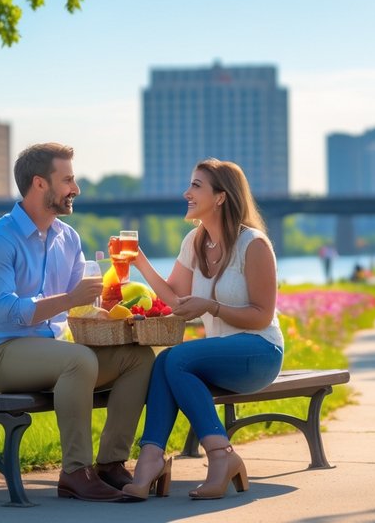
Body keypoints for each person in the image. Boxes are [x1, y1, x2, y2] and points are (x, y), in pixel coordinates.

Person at [0, 143, 155, 503]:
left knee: (139, 357)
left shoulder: (68, 239)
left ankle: (110, 465)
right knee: (78, 360)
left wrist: (119, 313)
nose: (76, 189)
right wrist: (71, 300)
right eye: (68, 179)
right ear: (40, 184)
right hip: (1, 354)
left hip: (54, 354)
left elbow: (84, 308)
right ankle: (75, 472)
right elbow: (5, 311)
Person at [122, 159, 284, 501]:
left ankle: (220, 456)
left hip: (259, 352)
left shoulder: (253, 244)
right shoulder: (195, 242)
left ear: (221, 197)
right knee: (167, 361)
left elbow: (261, 316)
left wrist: (211, 306)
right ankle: (151, 460)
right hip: (219, 356)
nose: (187, 192)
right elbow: (175, 297)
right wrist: (140, 262)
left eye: (196, 186)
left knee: (175, 359)